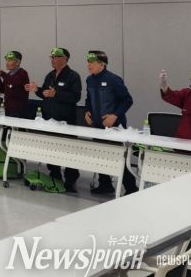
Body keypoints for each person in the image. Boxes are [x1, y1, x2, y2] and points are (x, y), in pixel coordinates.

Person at [25, 47, 81, 192]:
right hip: (50, 120)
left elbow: (75, 97)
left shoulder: (73, 76)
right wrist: (37, 90)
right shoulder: (50, 75)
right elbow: (46, 94)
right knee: (52, 150)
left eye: (56, 57)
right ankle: (55, 176)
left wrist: (56, 94)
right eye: (51, 57)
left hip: (66, 122)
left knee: (68, 152)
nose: (53, 60)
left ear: (65, 59)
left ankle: (71, 180)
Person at [84, 51, 138, 196]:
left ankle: (131, 188)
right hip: (98, 126)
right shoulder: (89, 80)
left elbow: (127, 100)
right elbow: (88, 99)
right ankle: (105, 185)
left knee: (120, 158)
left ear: (102, 64)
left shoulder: (113, 79)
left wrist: (115, 115)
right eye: (88, 62)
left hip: (115, 127)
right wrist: (87, 111)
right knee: (101, 156)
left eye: (92, 62)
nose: (88, 65)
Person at [0, 51, 31, 119]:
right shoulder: (8, 75)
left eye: (9, 61)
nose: (6, 63)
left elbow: (13, 82)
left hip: (19, 112)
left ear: (17, 62)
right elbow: (2, 90)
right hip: (8, 110)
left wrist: (0, 72)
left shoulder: (22, 73)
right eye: (6, 60)